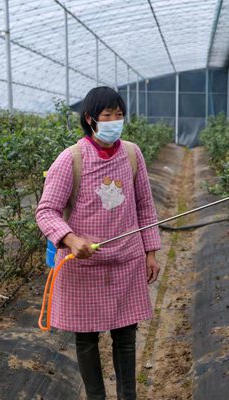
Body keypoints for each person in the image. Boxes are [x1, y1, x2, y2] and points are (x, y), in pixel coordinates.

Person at [36, 86, 161, 400]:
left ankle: (128, 396)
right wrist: (70, 239)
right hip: (84, 265)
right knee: (87, 339)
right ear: (91, 119)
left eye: (119, 115)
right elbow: (46, 210)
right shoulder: (71, 159)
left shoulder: (131, 154)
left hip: (126, 260)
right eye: (108, 115)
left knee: (126, 336)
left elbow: (145, 206)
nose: (115, 121)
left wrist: (150, 251)